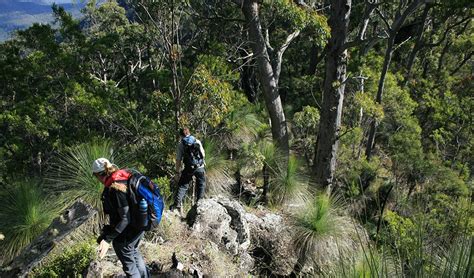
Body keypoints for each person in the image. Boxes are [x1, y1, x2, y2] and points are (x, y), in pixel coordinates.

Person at [92, 158, 148, 278]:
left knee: (129, 265)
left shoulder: (115, 188)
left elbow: (125, 218)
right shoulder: (125, 178)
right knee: (133, 252)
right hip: (140, 225)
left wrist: (108, 240)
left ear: (99, 175)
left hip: (128, 231)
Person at [170, 127, 206, 212]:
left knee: (183, 185)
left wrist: (177, 172)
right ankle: (200, 203)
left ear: (181, 135)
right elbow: (203, 155)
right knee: (201, 184)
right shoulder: (197, 141)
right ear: (189, 132)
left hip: (189, 168)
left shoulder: (181, 144)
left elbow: (178, 160)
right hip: (200, 167)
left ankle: (176, 205)